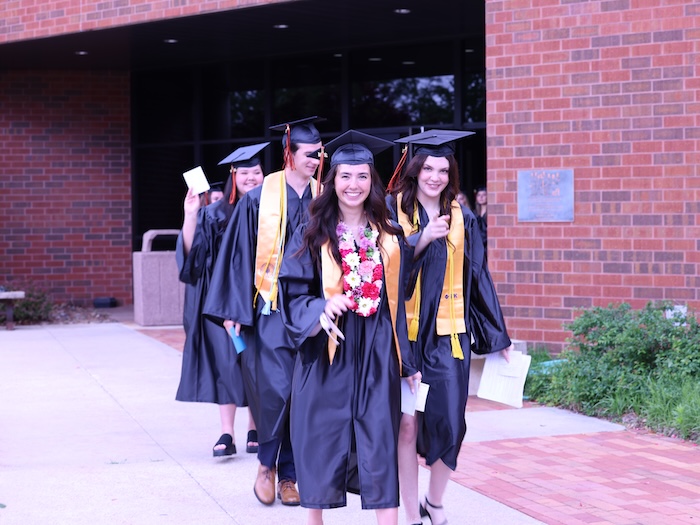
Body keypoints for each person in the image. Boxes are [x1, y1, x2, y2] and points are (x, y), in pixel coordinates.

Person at [278, 130, 421, 525]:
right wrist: (323, 306)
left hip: (376, 351)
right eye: (344, 176)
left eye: (361, 176)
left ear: (372, 181)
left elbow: (399, 305)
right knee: (320, 442)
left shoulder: (390, 237)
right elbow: (291, 295)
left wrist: (407, 363)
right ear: (331, 181)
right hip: (328, 349)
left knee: (380, 441)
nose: (353, 185)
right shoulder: (311, 234)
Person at [386, 130, 512, 525]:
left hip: (448, 336)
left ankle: (435, 500)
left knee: (452, 424)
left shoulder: (462, 216)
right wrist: (420, 240)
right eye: (428, 168)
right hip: (403, 338)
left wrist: (496, 336)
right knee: (407, 427)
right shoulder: (392, 211)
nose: (435, 176)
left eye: (443, 169)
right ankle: (410, 515)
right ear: (414, 170)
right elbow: (385, 273)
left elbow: (477, 275)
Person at [204, 116, 325, 507]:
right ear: (288, 153)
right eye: (309, 154)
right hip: (271, 308)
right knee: (275, 390)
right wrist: (234, 309)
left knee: (303, 394)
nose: (316, 159)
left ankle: (289, 474)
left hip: (312, 310)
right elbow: (238, 256)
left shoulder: (326, 197)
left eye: (319, 153)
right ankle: (267, 467)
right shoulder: (260, 199)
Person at [176, 142, 268, 458]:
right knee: (227, 365)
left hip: (260, 300)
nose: (252, 178)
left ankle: (255, 428)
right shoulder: (215, 214)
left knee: (257, 364)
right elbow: (193, 256)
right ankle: (227, 432)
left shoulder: (269, 210)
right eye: (245, 173)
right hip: (221, 305)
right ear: (234, 175)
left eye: (256, 172)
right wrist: (191, 215)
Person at [474, 186, 487, 252]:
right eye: (479, 195)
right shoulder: (474, 212)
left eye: (484, 195)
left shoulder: (490, 212)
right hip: (478, 243)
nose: (481, 197)